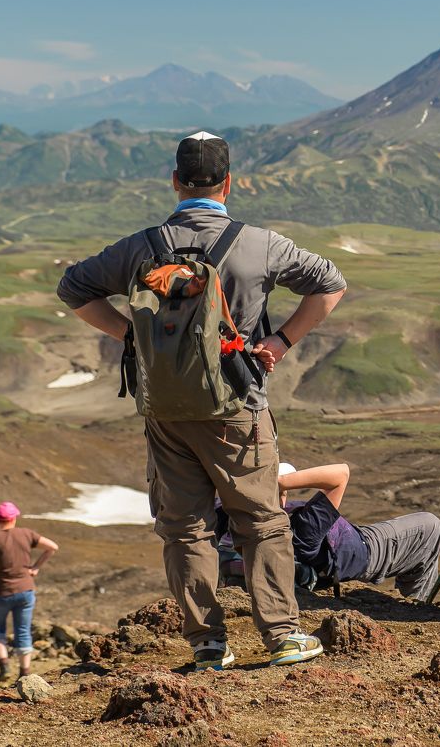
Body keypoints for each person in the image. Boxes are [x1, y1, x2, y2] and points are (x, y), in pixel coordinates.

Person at [56, 131, 346, 670]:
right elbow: (330, 284)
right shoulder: (259, 244)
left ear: (174, 182)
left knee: (185, 528)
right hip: (238, 406)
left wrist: (132, 337)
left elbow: (73, 288)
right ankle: (282, 635)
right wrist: (280, 341)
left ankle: (209, 645)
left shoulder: (141, 247)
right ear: (229, 184)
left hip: (165, 410)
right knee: (260, 521)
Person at [218, 462, 440, 601]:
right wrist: (281, 481)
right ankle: (416, 604)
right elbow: (341, 473)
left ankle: (412, 598)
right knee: (430, 526)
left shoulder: (237, 521)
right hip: (366, 552)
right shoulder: (303, 527)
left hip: (344, 548)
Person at [0, 502, 59, 681]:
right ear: (14, 517)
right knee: (23, 631)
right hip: (25, 589)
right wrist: (36, 567)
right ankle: (24, 673)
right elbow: (52, 547)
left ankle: (4, 665)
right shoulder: (27, 534)